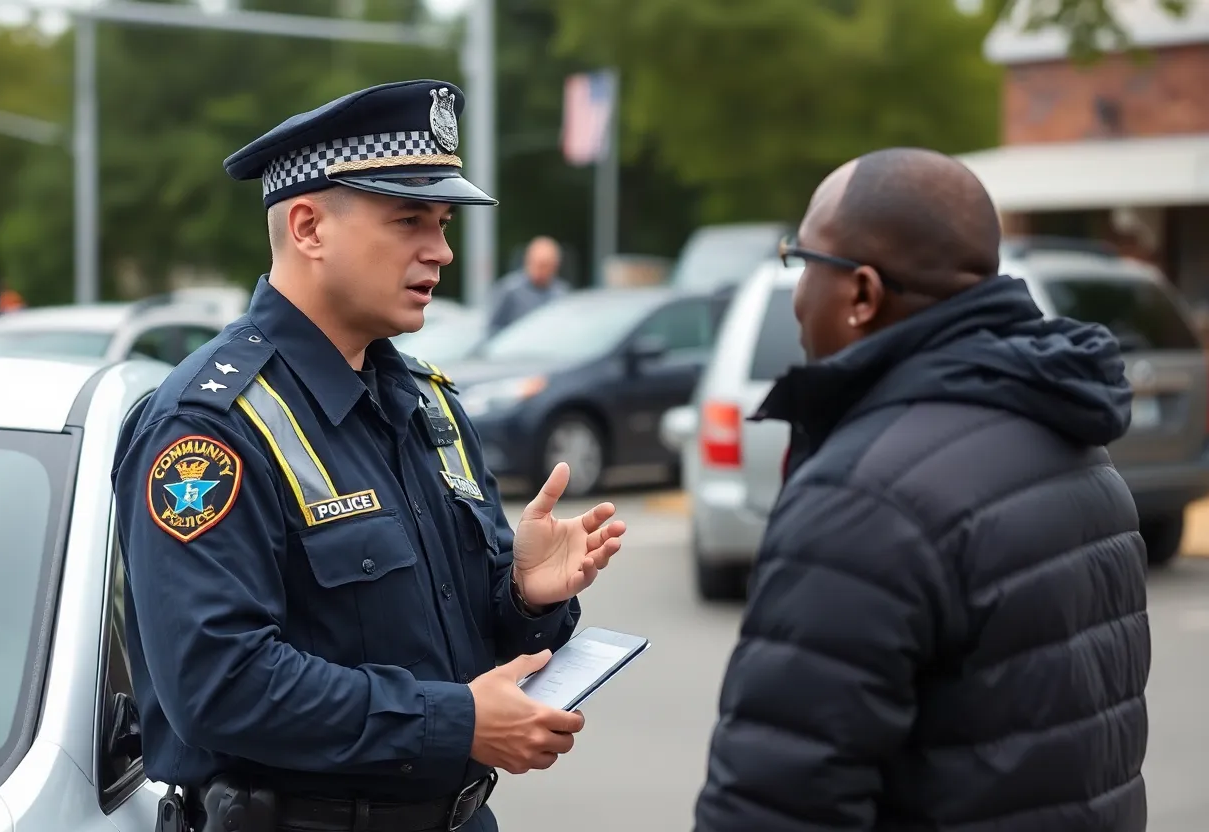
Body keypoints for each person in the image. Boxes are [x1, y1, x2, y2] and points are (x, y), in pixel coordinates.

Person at [110, 79, 627, 832]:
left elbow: (460, 640)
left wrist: (525, 596)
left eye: (442, 223)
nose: (441, 251)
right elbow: (218, 684)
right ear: (309, 227)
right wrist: (453, 722)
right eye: (409, 219)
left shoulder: (428, 402)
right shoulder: (207, 427)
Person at [693, 148, 1149, 832]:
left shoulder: (864, 500)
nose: (797, 295)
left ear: (862, 294)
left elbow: (776, 806)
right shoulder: (1078, 450)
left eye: (803, 262)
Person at [485, 236, 569, 335]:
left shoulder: (561, 293)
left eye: (548, 265)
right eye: (540, 264)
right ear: (528, 261)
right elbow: (492, 328)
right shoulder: (510, 290)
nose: (543, 270)